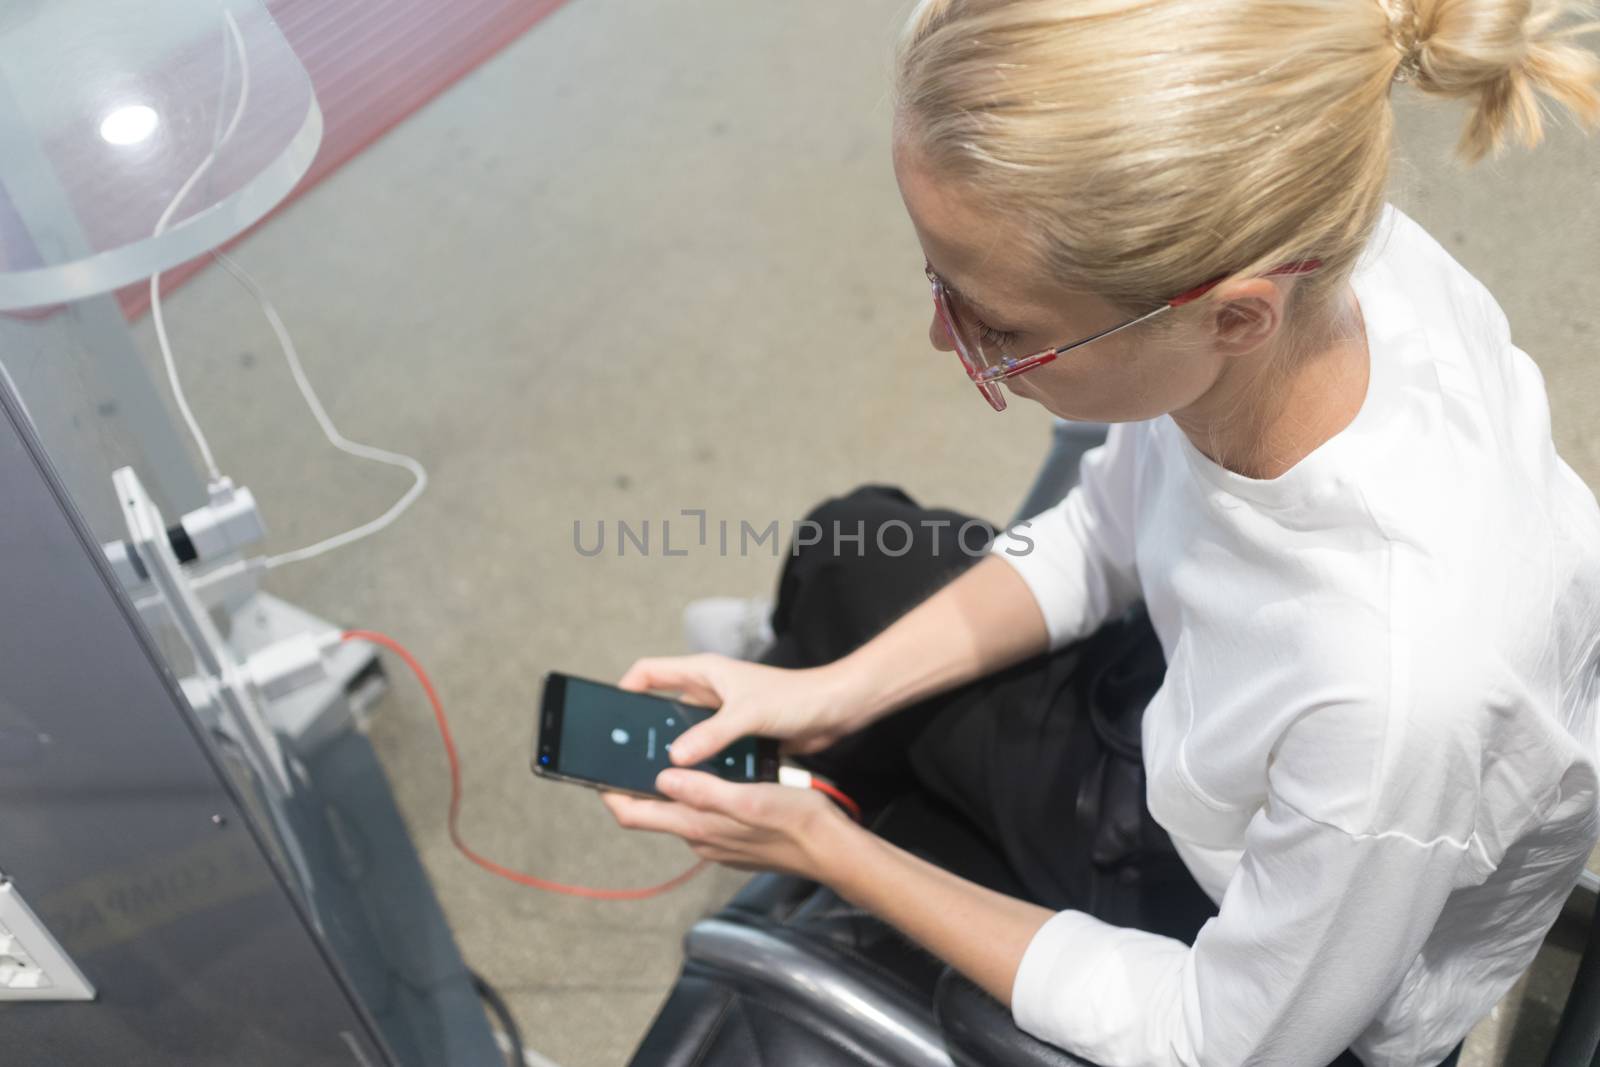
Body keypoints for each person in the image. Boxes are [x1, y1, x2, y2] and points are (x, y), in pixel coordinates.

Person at [599, 0, 1600, 1063]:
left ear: (1234, 314)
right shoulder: (1322, 260)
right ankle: (810, 699)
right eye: (941, 278)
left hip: (1255, 939)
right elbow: (1111, 518)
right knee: (848, 552)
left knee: (848, 697)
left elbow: (1217, 1041)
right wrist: (829, 690)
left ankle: (826, 790)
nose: (940, 334)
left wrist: (832, 850)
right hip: (1208, 727)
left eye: (1002, 325)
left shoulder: (1392, 688)